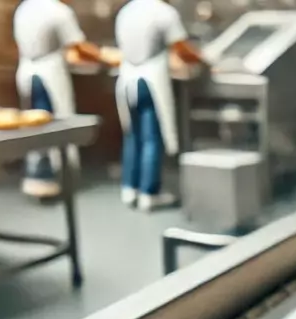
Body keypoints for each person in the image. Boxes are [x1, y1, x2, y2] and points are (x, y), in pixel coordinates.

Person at [115, 0, 206, 212]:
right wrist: (205, 60)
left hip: (127, 79)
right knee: (151, 139)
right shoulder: (164, 13)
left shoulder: (126, 11)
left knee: (132, 135)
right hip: (150, 81)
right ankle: (149, 193)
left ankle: (130, 188)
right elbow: (182, 49)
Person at [13, 0, 102, 199]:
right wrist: (102, 55)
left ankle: (35, 173)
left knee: (34, 125)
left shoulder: (24, 8)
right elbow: (79, 47)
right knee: (51, 127)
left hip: (27, 71)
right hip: (49, 74)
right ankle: (45, 175)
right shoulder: (59, 12)